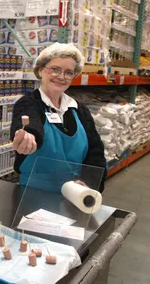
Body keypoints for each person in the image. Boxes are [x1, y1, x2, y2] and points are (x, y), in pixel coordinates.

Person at [10, 43, 106, 192]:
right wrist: (28, 136)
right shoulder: (29, 103)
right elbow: (31, 123)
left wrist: (89, 183)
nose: (61, 77)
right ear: (41, 70)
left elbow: (95, 152)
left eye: (69, 72)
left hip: (74, 194)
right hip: (32, 195)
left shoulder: (80, 110)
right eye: (55, 69)